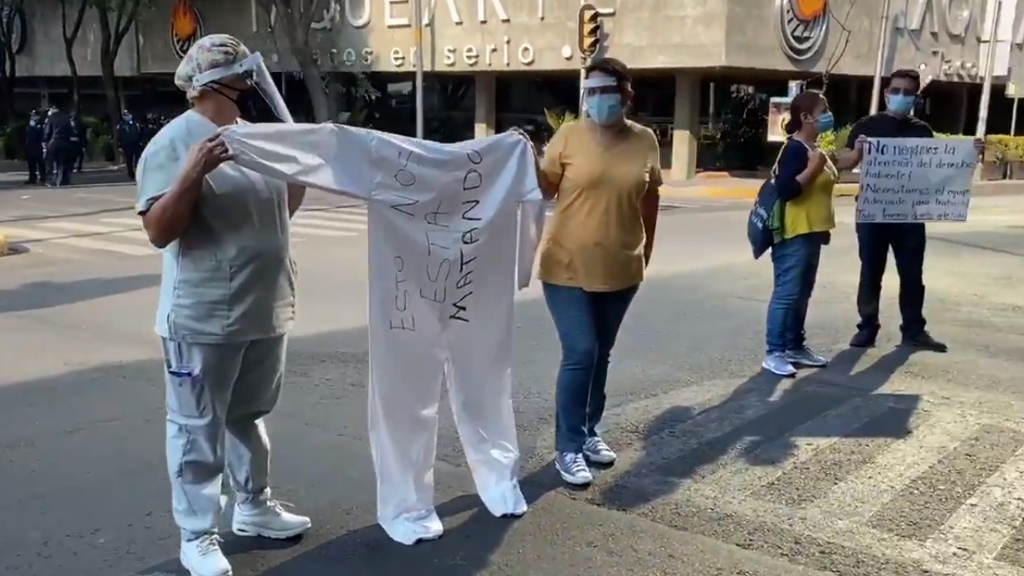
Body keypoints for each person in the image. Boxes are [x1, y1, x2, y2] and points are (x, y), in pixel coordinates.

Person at [134, 34, 308, 576]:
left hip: (264, 306)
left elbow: (282, 209)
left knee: (248, 417)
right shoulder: (174, 142)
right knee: (196, 427)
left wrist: (296, 168)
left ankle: (253, 507)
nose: (253, 81)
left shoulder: (255, 138)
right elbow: (159, 230)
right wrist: (192, 173)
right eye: (246, 72)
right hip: (203, 316)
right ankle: (197, 533)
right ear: (224, 80)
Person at [535, 57, 661, 486]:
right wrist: (523, 157)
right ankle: (567, 448)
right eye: (593, 91)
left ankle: (589, 431)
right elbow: (543, 188)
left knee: (601, 355)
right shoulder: (568, 136)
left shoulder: (645, 140)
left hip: (622, 265)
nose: (600, 98)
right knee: (581, 352)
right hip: (565, 264)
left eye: (609, 90)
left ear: (626, 94)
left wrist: (648, 248)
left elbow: (651, 196)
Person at [834, 69, 985, 352]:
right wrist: (856, 153)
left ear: (916, 97)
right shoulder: (867, 126)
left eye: (907, 92)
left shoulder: (921, 131)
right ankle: (867, 328)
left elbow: (934, 171)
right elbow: (842, 162)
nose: (901, 96)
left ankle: (914, 330)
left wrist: (968, 155)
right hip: (872, 214)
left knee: (912, 275)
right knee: (871, 273)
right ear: (886, 93)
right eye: (896, 90)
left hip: (910, 215)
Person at [762, 90, 837, 377]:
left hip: (812, 232)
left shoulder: (813, 148)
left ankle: (794, 346)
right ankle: (775, 351)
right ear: (806, 117)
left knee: (802, 294)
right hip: (794, 233)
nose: (828, 115)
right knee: (787, 293)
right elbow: (787, 190)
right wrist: (814, 169)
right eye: (824, 109)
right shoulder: (794, 149)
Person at [43, 102, 74, 187]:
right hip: (64, 141)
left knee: (50, 161)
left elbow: (47, 131)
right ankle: (62, 179)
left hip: (53, 141)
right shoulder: (66, 117)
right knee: (62, 162)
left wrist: (45, 141)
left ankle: (50, 180)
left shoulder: (51, 118)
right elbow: (71, 131)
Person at [118, 110, 143, 180]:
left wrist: (141, 142)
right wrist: (119, 145)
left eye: (128, 114)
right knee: (129, 160)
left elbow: (141, 133)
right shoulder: (121, 125)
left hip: (136, 144)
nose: (127, 116)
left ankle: (138, 173)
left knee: (138, 160)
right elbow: (119, 136)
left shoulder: (136, 124)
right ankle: (131, 173)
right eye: (125, 115)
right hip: (127, 145)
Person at [24, 110, 45, 185]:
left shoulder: (40, 124)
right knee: (31, 163)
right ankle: (32, 178)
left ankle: (42, 178)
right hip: (30, 146)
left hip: (38, 146)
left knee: (40, 163)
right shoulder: (29, 124)